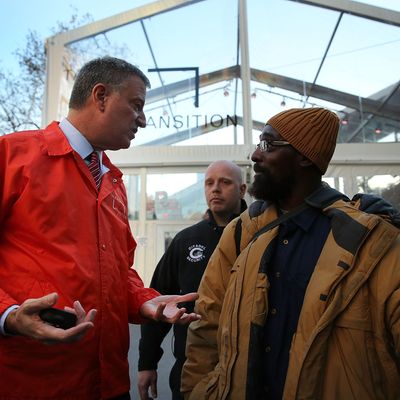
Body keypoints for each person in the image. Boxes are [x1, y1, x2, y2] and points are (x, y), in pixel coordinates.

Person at [0, 56, 200, 400]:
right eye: (136, 105)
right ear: (101, 95)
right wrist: (8, 316)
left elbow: (119, 272)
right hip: (31, 382)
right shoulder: (14, 155)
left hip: (108, 383)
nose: (143, 119)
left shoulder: (114, 183)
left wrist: (146, 304)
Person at [181, 107, 400, 399]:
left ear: (305, 157)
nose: (255, 155)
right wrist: (198, 392)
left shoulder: (370, 243)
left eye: (268, 145)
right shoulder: (242, 232)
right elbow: (207, 325)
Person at [137, 160, 248, 400]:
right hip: (193, 367)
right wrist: (147, 363)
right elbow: (157, 300)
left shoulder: (259, 237)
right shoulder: (186, 241)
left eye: (225, 182)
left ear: (242, 190)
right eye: (209, 183)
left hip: (249, 370)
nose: (215, 189)